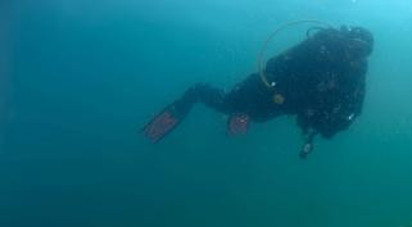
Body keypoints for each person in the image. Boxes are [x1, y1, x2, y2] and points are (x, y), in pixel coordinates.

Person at [141, 25, 374, 159]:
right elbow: (276, 64)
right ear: (344, 42)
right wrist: (271, 90)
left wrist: (335, 121)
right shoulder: (320, 48)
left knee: (258, 117)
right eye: (354, 47)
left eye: (362, 52)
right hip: (266, 87)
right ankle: (192, 97)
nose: (354, 55)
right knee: (227, 103)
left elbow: (354, 107)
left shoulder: (355, 71)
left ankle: (243, 116)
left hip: (287, 104)